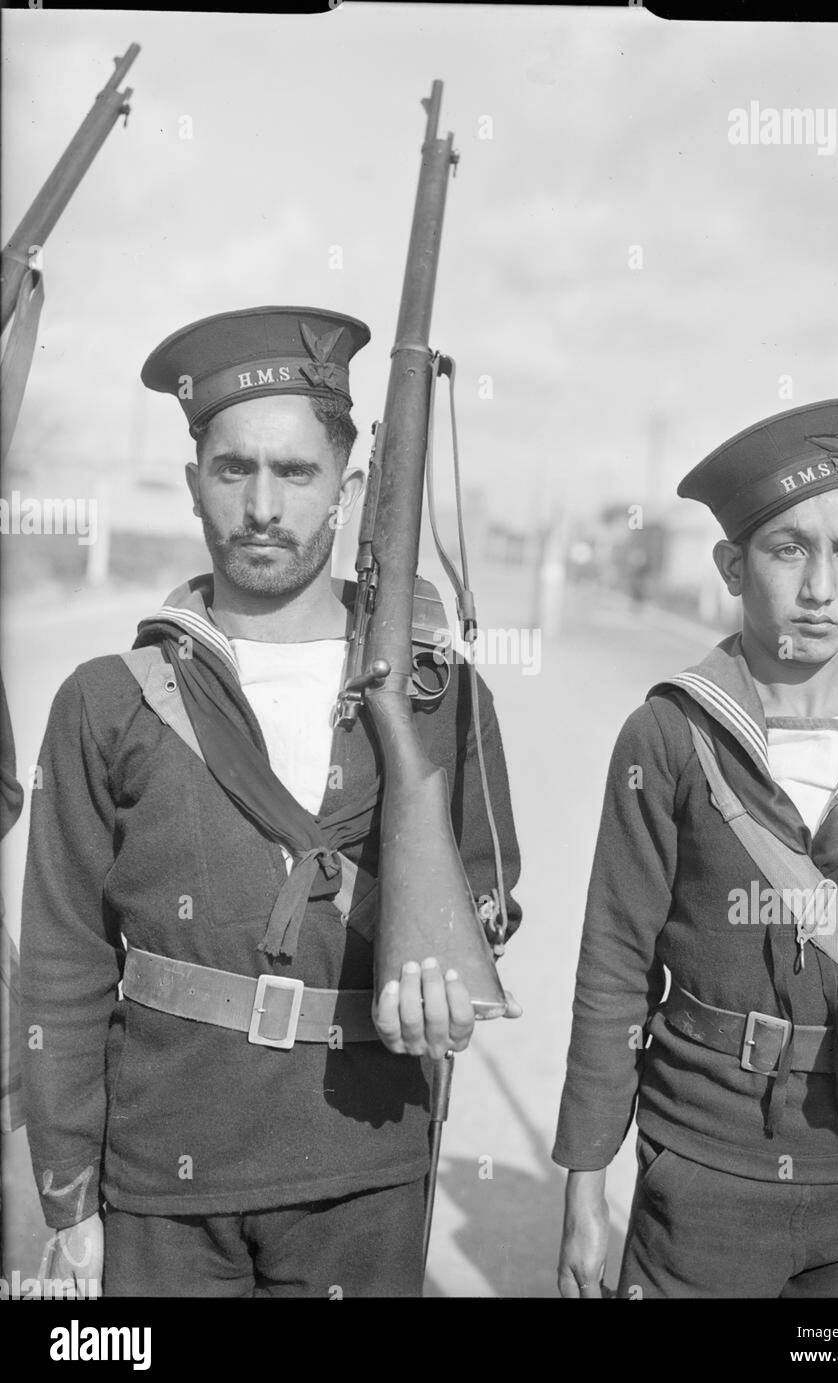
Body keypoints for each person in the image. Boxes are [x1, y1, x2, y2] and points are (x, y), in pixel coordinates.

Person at [19, 306, 522, 1298]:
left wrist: (453, 975)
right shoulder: (109, 698)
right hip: (161, 1184)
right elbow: (64, 965)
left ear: (352, 486)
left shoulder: (436, 693)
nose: (261, 503)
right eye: (232, 467)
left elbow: (488, 888)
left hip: (367, 1167)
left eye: (294, 472)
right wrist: (68, 1199)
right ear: (194, 478)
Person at [553, 399, 838, 1299]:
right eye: (788, 549)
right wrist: (585, 1186)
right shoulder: (667, 733)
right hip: (702, 1167)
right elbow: (614, 963)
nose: (820, 588)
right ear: (732, 566)